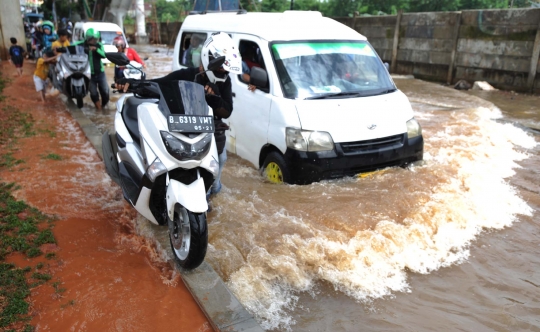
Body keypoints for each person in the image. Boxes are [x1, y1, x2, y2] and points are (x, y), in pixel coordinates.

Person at [117, 32, 242, 201]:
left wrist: (213, 98)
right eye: (220, 67)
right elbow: (158, 84)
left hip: (211, 137)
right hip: (183, 133)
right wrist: (133, 84)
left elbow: (227, 110)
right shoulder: (186, 75)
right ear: (208, 59)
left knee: (215, 184)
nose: (223, 71)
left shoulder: (225, 81)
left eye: (226, 68)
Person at [73, 28, 109, 109]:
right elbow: (71, 46)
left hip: (100, 72)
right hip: (88, 74)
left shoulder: (99, 45)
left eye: (96, 39)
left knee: (105, 92)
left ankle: (103, 106)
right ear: (88, 38)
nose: (95, 41)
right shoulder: (81, 45)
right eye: (93, 39)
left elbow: (104, 55)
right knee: (93, 93)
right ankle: (99, 110)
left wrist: (96, 49)